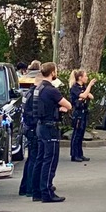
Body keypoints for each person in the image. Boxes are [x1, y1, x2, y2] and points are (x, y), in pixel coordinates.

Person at [33, 62, 72, 203]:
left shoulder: (38, 88)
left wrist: (55, 108)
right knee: (50, 160)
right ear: (52, 72)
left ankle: (36, 191)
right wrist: (60, 108)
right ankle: (47, 192)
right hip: (50, 127)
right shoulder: (51, 90)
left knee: (40, 159)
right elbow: (68, 105)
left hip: (40, 126)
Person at [18, 61, 43, 197]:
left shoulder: (28, 93)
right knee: (34, 159)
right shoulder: (34, 94)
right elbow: (34, 113)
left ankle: (25, 187)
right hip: (33, 128)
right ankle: (31, 188)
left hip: (27, 127)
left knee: (30, 159)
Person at [68, 70, 94, 162]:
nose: (87, 78)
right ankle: (74, 155)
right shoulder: (75, 87)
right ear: (80, 78)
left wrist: (85, 94)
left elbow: (90, 96)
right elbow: (83, 95)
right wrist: (89, 87)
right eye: (85, 76)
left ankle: (80, 153)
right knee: (77, 134)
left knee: (81, 134)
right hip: (78, 113)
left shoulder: (83, 87)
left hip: (84, 112)